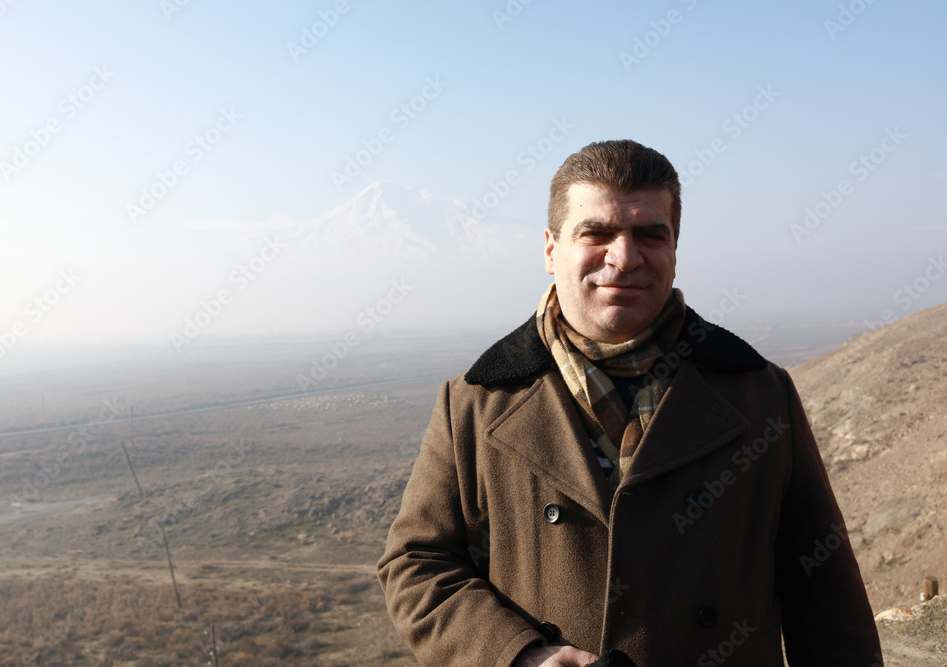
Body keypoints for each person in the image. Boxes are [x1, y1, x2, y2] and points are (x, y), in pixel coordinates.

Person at [377, 140, 882, 667]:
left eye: (649, 235)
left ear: (674, 249)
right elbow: (416, 562)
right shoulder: (475, 403)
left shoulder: (759, 393)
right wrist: (519, 655)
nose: (624, 257)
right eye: (595, 233)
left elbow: (825, 595)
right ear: (551, 250)